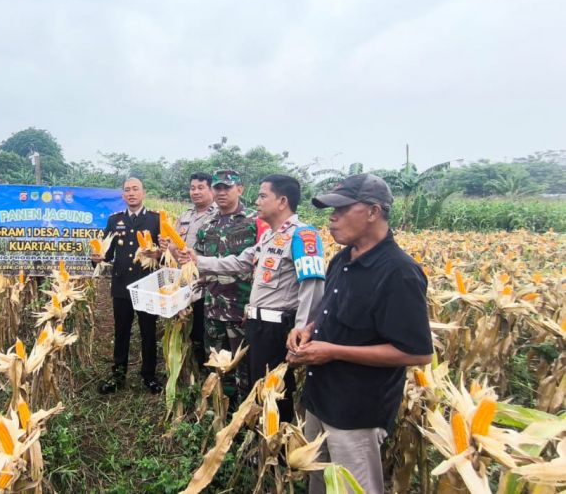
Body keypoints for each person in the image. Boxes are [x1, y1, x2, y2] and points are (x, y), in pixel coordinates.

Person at [286, 174, 433, 494]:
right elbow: (332, 313)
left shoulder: (399, 272)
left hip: (356, 413)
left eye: (341, 209)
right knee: (318, 481)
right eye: (330, 211)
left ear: (373, 212)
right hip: (319, 397)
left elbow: (417, 352)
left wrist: (334, 351)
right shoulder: (342, 258)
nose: (332, 218)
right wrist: (307, 332)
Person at [179, 175, 325, 422]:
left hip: (280, 328)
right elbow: (239, 262)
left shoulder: (303, 236)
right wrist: (198, 261)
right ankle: (260, 444)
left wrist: (301, 329)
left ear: (282, 202)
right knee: (261, 386)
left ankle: (277, 451)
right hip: (258, 325)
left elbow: (312, 287)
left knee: (276, 391)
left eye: (262, 195)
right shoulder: (270, 237)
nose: (256, 201)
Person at [92, 177, 163, 394]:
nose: (131, 193)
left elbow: (166, 254)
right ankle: (118, 375)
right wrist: (96, 258)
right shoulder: (115, 220)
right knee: (121, 331)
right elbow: (107, 254)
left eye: (135, 189)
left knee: (148, 332)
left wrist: (158, 253)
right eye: (127, 190)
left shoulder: (155, 219)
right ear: (123, 195)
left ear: (143, 193)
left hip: (147, 285)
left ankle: (149, 375)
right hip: (122, 285)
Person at [195, 169, 258, 398]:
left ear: (239, 189)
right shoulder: (207, 226)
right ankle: (220, 410)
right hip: (213, 308)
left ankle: (242, 415)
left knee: (243, 366)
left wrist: (253, 304)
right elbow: (198, 264)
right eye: (217, 188)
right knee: (215, 362)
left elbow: (262, 268)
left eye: (227, 188)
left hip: (241, 309)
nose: (221, 192)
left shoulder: (255, 222)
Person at [165, 172, 215, 369]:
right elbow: (173, 247)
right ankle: (187, 368)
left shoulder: (218, 215)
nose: (195, 192)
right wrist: (167, 246)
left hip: (205, 283)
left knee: (202, 330)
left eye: (200, 187)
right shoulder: (185, 216)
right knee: (184, 326)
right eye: (192, 188)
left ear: (211, 189)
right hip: (183, 281)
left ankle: (205, 370)